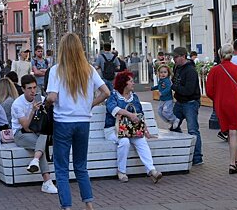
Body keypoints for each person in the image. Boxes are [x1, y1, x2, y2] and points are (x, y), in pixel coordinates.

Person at [46, 33, 110, 210]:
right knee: (81, 166)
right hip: (83, 122)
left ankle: (66, 206)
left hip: (63, 122)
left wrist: (46, 100)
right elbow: (106, 92)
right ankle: (88, 202)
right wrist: (89, 105)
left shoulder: (57, 70)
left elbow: (52, 97)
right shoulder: (88, 69)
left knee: (61, 167)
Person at [105, 71, 162, 183]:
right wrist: (129, 114)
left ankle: (151, 170)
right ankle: (121, 171)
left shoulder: (134, 97)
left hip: (130, 129)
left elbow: (140, 114)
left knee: (141, 140)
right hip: (113, 129)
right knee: (124, 141)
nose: (133, 83)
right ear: (124, 83)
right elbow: (113, 109)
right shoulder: (113, 96)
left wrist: (145, 130)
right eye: (131, 81)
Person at [11, 74, 58, 194]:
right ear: (23, 89)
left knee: (43, 136)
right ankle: (47, 181)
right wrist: (33, 110)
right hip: (20, 134)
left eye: (34, 88)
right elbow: (25, 127)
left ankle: (35, 160)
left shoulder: (41, 99)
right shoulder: (17, 104)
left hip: (38, 133)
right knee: (40, 144)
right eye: (29, 88)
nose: (33, 91)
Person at [206, 44, 237, 174]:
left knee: (230, 132)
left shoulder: (214, 70)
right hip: (236, 103)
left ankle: (236, 160)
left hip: (221, 104)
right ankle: (232, 163)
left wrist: (218, 98)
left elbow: (209, 91)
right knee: (234, 132)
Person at [171, 47, 203, 166]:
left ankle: (197, 157)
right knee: (173, 126)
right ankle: (180, 152)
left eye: (176, 57)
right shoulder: (177, 68)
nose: (174, 60)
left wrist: (174, 87)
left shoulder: (190, 71)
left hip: (190, 102)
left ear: (183, 56)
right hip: (180, 102)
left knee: (193, 130)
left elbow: (189, 90)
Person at [151, 64, 179, 130]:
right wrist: (153, 88)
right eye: (161, 72)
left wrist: (162, 93)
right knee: (159, 111)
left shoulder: (167, 81)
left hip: (168, 99)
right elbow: (159, 86)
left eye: (165, 72)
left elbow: (168, 88)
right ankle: (169, 121)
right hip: (162, 99)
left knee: (166, 111)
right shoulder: (161, 80)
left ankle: (174, 119)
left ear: (168, 73)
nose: (163, 74)